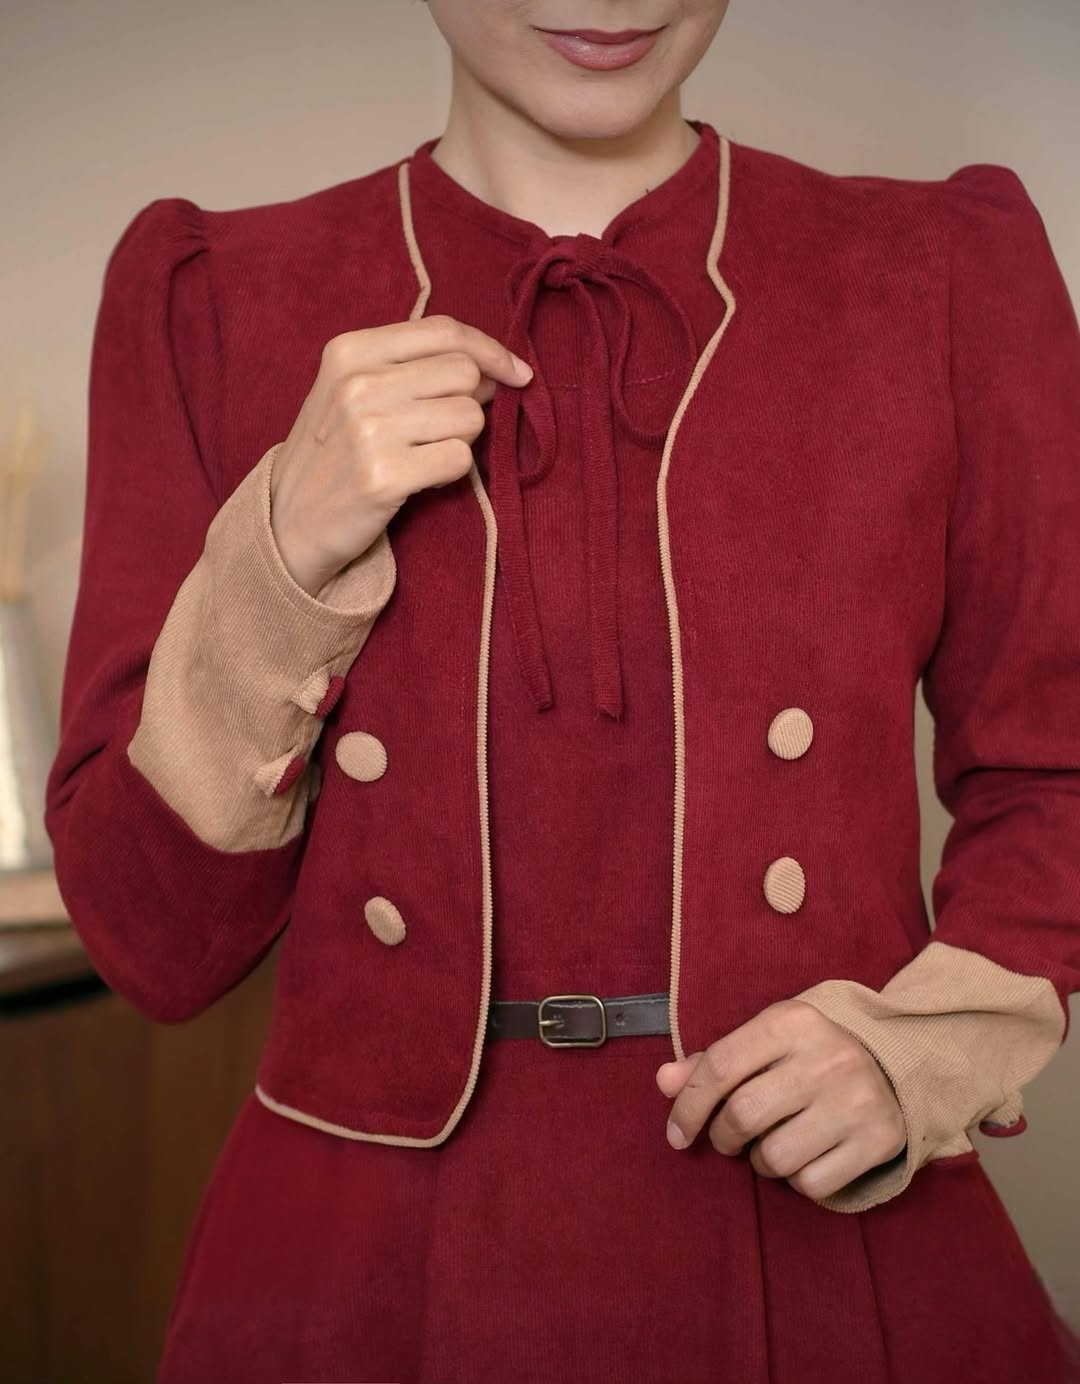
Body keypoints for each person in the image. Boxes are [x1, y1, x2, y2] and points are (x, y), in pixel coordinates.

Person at [45, 3, 1080, 1381]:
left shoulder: (936, 269)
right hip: (366, 1272)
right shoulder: (214, 296)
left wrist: (921, 1053)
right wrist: (284, 547)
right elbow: (151, 944)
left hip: (827, 1241)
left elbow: (1055, 768)